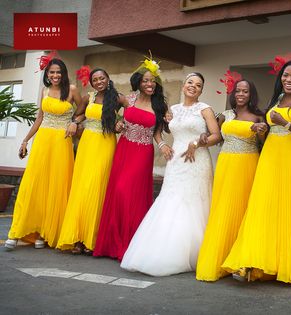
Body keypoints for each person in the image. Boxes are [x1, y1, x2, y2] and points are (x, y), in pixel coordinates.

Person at [222, 59, 291, 284]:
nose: (289, 80)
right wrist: (265, 128)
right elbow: (268, 130)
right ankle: (250, 261)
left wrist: (285, 123)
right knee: (262, 207)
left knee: (290, 209)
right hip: (270, 157)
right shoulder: (276, 99)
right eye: (286, 75)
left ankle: (287, 264)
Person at [121, 72, 221, 276]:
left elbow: (216, 135)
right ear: (184, 86)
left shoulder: (205, 109)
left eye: (198, 85)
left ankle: (192, 252)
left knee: (193, 203)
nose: (193, 86)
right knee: (170, 200)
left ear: (201, 90)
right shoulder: (172, 110)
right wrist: (164, 144)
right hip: (175, 162)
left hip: (196, 161)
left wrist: (196, 143)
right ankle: (163, 249)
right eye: (190, 82)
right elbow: (157, 131)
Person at [93, 56, 172, 261]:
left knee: (130, 194)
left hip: (143, 153)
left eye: (152, 80)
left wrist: (163, 146)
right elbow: (107, 112)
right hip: (124, 149)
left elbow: (157, 134)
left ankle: (130, 245)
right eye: (146, 80)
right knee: (118, 192)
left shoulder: (160, 106)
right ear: (138, 82)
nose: (149, 84)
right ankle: (112, 244)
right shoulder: (128, 99)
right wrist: (117, 122)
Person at [5, 54, 84, 250]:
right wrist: (24, 140)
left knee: (55, 186)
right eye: (52, 72)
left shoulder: (72, 90)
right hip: (42, 141)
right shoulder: (44, 90)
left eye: (58, 72)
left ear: (63, 74)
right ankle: (17, 232)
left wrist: (74, 123)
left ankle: (44, 233)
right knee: (34, 184)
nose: (55, 75)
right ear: (47, 74)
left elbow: (82, 112)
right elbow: (39, 119)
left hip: (62, 143)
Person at [196, 78, 266, 281]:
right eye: (238, 91)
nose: (241, 94)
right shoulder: (225, 115)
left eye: (245, 91)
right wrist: (202, 136)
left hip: (247, 164)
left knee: (243, 208)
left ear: (251, 95)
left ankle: (239, 259)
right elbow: (214, 135)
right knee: (222, 207)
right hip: (226, 164)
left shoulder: (258, 116)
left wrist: (259, 131)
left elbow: (263, 142)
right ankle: (219, 257)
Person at [56, 68, 128, 254]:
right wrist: (74, 122)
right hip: (87, 144)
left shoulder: (118, 98)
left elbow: (132, 112)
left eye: (102, 78)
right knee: (82, 188)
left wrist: (122, 124)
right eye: (95, 79)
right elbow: (79, 114)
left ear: (108, 78)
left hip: (105, 144)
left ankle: (93, 239)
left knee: (97, 188)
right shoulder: (89, 97)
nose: (99, 82)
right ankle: (77, 237)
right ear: (91, 82)